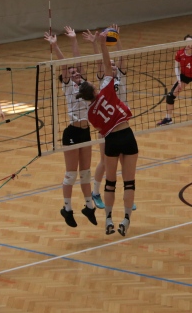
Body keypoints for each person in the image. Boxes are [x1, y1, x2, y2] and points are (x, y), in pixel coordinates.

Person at [77, 32, 139, 236]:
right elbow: (106, 65)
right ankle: (126, 219)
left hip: (110, 140)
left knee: (110, 183)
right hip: (126, 135)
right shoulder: (107, 89)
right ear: (95, 90)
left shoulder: (90, 114)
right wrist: (103, 45)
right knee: (129, 182)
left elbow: (101, 129)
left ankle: (109, 220)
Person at [44, 26, 97, 228]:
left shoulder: (85, 84)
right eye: (71, 72)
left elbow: (78, 60)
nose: (75, 72)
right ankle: (67, 209)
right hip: (72, 132)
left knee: (86, 173)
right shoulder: (68, 86)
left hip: (85, 131)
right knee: (71, 174)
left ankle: (89, 207)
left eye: (77, 71)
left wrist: (74, 40)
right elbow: (65, 64)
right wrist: (56, 46)